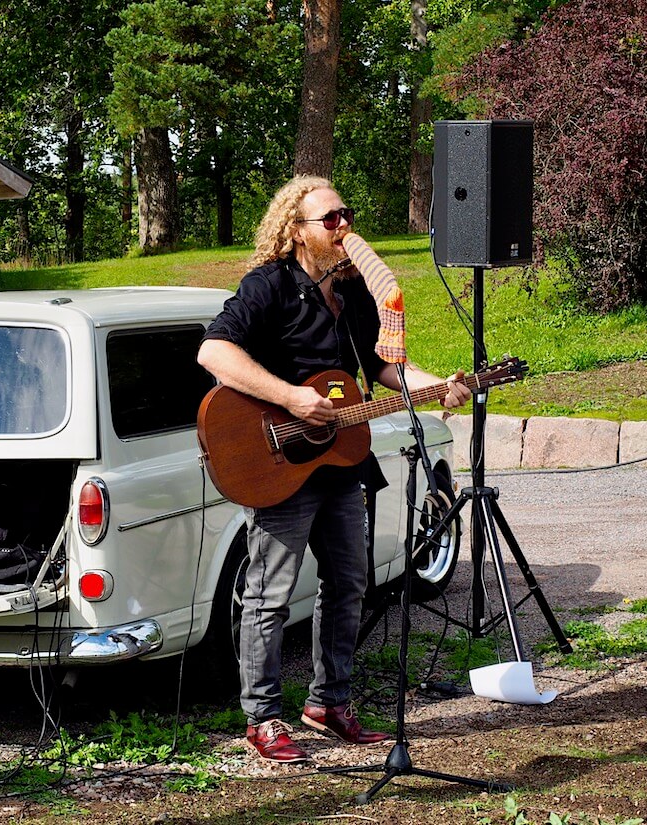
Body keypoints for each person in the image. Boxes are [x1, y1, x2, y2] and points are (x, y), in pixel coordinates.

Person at [198, 176, 471, 763]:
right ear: (295, 231)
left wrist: (439, 386)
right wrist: (293, 398)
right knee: (268, 594)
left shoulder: (353, 295)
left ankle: (328, 703)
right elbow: (214, 352)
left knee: (349, 584)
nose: (343, 225)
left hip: (343, 462)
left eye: (345, 214)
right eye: (330, 219)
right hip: (280, 460)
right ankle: (263, 717)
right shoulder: (268, 286)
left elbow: (385, 370)